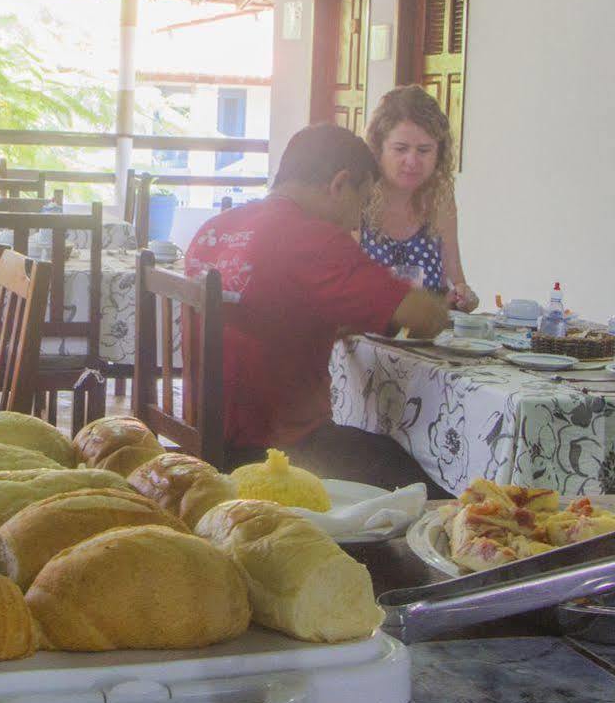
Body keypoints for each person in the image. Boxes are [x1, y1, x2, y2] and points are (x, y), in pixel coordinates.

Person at [183, 123, 451, 491]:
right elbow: (427, 315)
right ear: (339, 184)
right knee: (430, 484)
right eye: (364, 201)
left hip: (201, 435)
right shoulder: (315, 240)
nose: (359, 220)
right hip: (277, 452)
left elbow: (268, 305)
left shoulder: (213, 229)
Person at [360, 86, 473, 307]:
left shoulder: (440, 197)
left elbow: (455, 281)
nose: (412, 161)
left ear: (438, 154)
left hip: (423, 337)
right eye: (401, 149)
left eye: (424, 151)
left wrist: (462, 296)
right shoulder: (358, 196)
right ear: (377, 149)